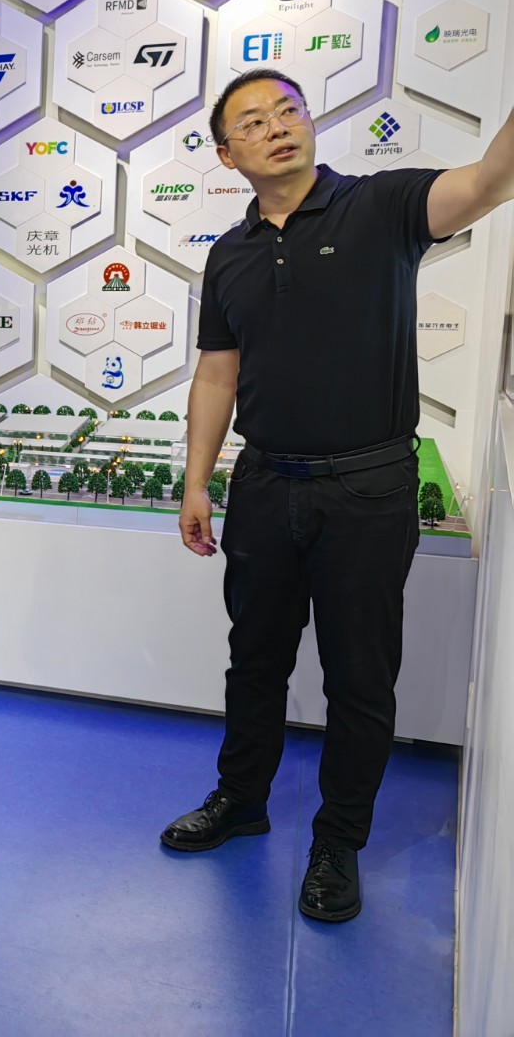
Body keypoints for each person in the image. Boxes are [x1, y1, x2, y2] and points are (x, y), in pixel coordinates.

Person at [166, 69, 514, 922]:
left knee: (360, 677)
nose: (278, 127)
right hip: (264, 486)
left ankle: (338, 843)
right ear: (227, 155)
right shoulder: (231, 253)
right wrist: (197, 481)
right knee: (255, 661)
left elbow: (489, 181)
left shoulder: (381, 206)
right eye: (254, 121)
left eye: (288, 110)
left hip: (368, 487)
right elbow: (217, 374)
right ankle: (241, 799)